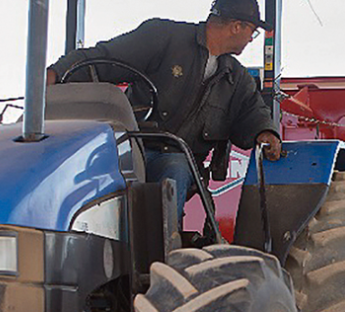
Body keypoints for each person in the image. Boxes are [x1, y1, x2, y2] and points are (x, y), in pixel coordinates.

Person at [47, 0, 282, 228]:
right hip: (130, 147)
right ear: (236, 26)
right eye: (252, 31)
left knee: (176, 167)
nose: (251, 39)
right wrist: (57, 72)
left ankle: (162, 248)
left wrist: (266, 132)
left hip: (177, 158)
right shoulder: (163, 38)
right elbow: (106, 57)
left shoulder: (236, 79)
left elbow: (252, 111)